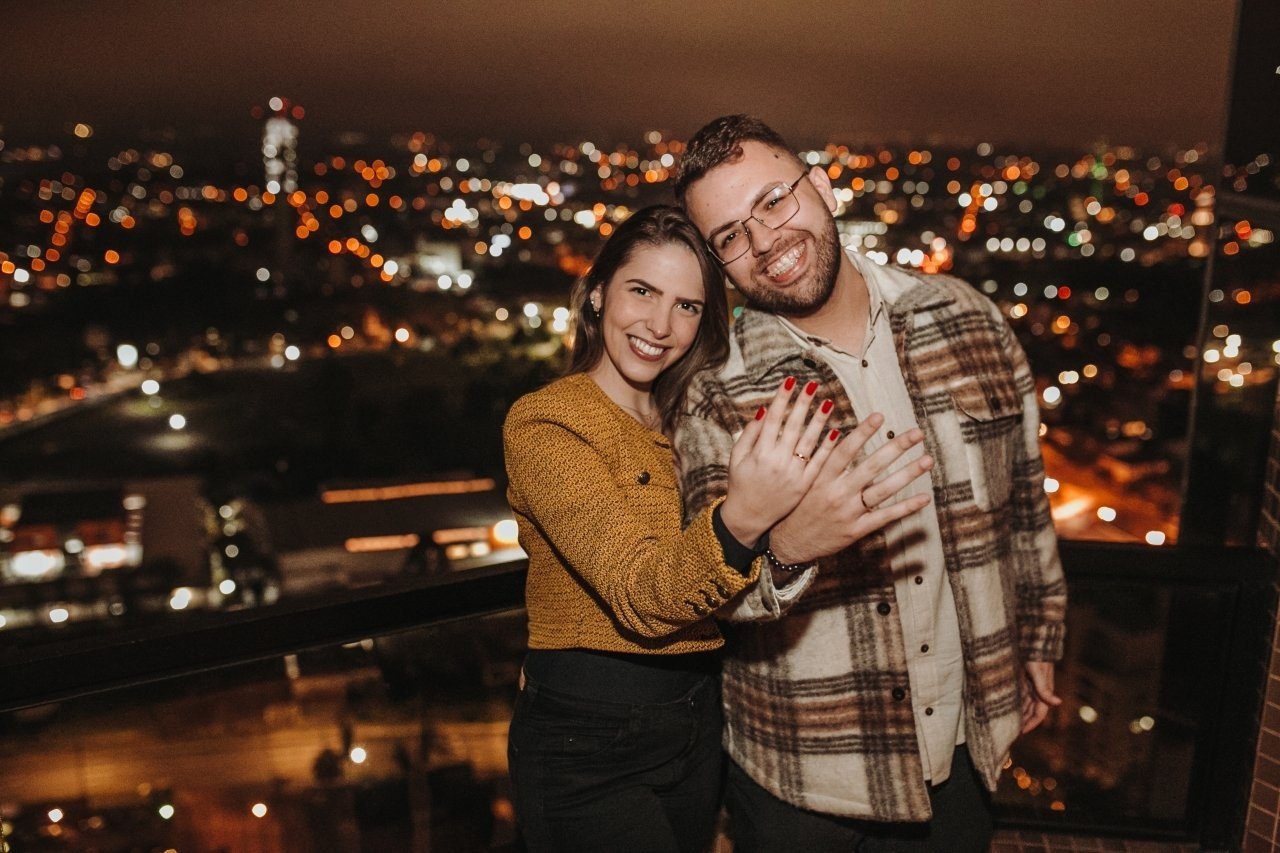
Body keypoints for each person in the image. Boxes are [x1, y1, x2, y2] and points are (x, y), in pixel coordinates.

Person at [672, 116, 1068, 851]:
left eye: (773, 201)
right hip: (805, 778)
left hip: (965, 745)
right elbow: (706, 595)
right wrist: (790, 545)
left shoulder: (968, 319)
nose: (764, 241)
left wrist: (1040, 634)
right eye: (730, 235)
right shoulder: (718, 392)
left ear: (823, 188)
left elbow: (1024, 501)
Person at [502, 204, 934, 853]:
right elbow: (642, 594)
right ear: (597, 294)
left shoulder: (692, 419)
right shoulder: (549, 423)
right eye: (642, 291)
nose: (660, 325)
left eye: (687, 306)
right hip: (586, 738)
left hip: (700, 721)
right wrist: (746, 515)